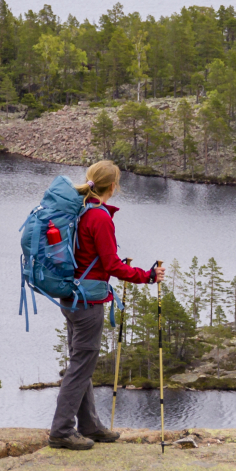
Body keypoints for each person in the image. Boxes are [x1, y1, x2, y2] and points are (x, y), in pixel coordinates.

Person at [50, 160, 163, 451]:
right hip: (87, 302)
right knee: (80, 365)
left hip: (72, 296)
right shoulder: (99, 217)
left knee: (81, 363)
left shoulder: (81, 210)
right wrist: (147, 277)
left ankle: (89, 426)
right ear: (113, 186)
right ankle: (62, 431)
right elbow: (111, 265)